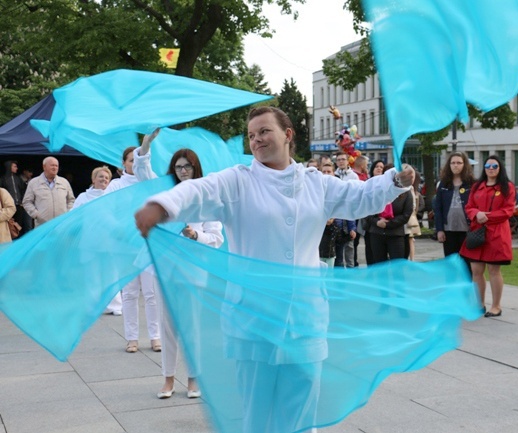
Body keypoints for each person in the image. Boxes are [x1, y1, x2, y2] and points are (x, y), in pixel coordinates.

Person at [134, 106, 415, 433]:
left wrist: (394, 181)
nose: (257, 140)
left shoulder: (317, 184)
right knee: (257, 414)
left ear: (288, 134)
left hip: (305, 318)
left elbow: (361, 197)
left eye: (264, 131)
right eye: (252, 135)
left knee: (301, 413)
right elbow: (199, 190)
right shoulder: (238, 180)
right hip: (252, 319)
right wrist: (162, 205)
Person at [133, 132, 224, 400]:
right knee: (168, 324)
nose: (183, 171)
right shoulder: (166, 193)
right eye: (178, 166)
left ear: (196, 168)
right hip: (166, 268)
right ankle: (168, 379)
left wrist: (197, 235)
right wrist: (146, 146)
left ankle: (194, 378)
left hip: (194, 269)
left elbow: (216, 237)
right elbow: (143, 174)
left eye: (187, 166)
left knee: (192, 325)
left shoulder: (207, 197)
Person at [104, 147, 161, 353]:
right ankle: (132, 338)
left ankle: (156, 336)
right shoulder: (115, 185)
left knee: (151, 293)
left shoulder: (149, 182)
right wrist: (120, 230)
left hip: (147, 244)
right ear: (123, 164)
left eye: (135, 160)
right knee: (129, 293)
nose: (133, 164)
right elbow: (106, 211)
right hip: (125, 246)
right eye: (129, 161)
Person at [460, 155, 515, 317]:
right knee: (476, 270)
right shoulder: (478, 186)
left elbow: (508, 210)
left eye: (494, 166)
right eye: (488, 166)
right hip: (478, 231)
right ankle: (479, 304)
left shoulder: (507, 187)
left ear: (500, 168)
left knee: (493, 269)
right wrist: (476, 214)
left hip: (496, 233)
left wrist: (487, 217)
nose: (491, 169)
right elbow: (469, 206)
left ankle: (496, 305)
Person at [72, 166, 123, 316]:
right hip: (90, 242)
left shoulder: (113, 196)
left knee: (111, 274)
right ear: (93, 179)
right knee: (92, 275)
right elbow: (73, 216)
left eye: (107, 178)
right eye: (100, 177)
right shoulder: (83, 197)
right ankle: (94, 306)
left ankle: (115, 306)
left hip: (109, 242)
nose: (104, 180)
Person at [433, 151, 474, 264]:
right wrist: (439, 229)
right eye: (453, 163)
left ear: (464, 164)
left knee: (466, 264)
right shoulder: (443, 184)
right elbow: (438, 208)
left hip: (467, 230)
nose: (456, 165)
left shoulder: (471, 183)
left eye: (459, 163)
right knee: (450, 263)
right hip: (448, 230)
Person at [22, 157, 75, 227]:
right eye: (52, 165)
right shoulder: (34, 183)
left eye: (56, 166)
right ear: (44, 167)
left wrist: (67, 214)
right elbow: (27, 202)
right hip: (42, 226)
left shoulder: (64, 182)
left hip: (61, 225)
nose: (55, 168)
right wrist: (37, 215)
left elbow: (71, 200)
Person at [363, 160, 386, 266]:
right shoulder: (367, 184)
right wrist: (375, 221)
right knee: (371, 255)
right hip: (371, 226)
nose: (379, 168)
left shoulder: (386, 185)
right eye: (377, 166)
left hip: (387, 225)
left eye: (381, 167)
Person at [1, 161, 27, 238]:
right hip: (7, 207)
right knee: (9, 226)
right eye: (14, 166)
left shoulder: (18, 179)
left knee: (18, 226)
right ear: (9, 167)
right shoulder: (3, 179)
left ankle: (18, 244)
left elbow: (24, 190)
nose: (16, 168)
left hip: (18, 206)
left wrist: (22, 201)